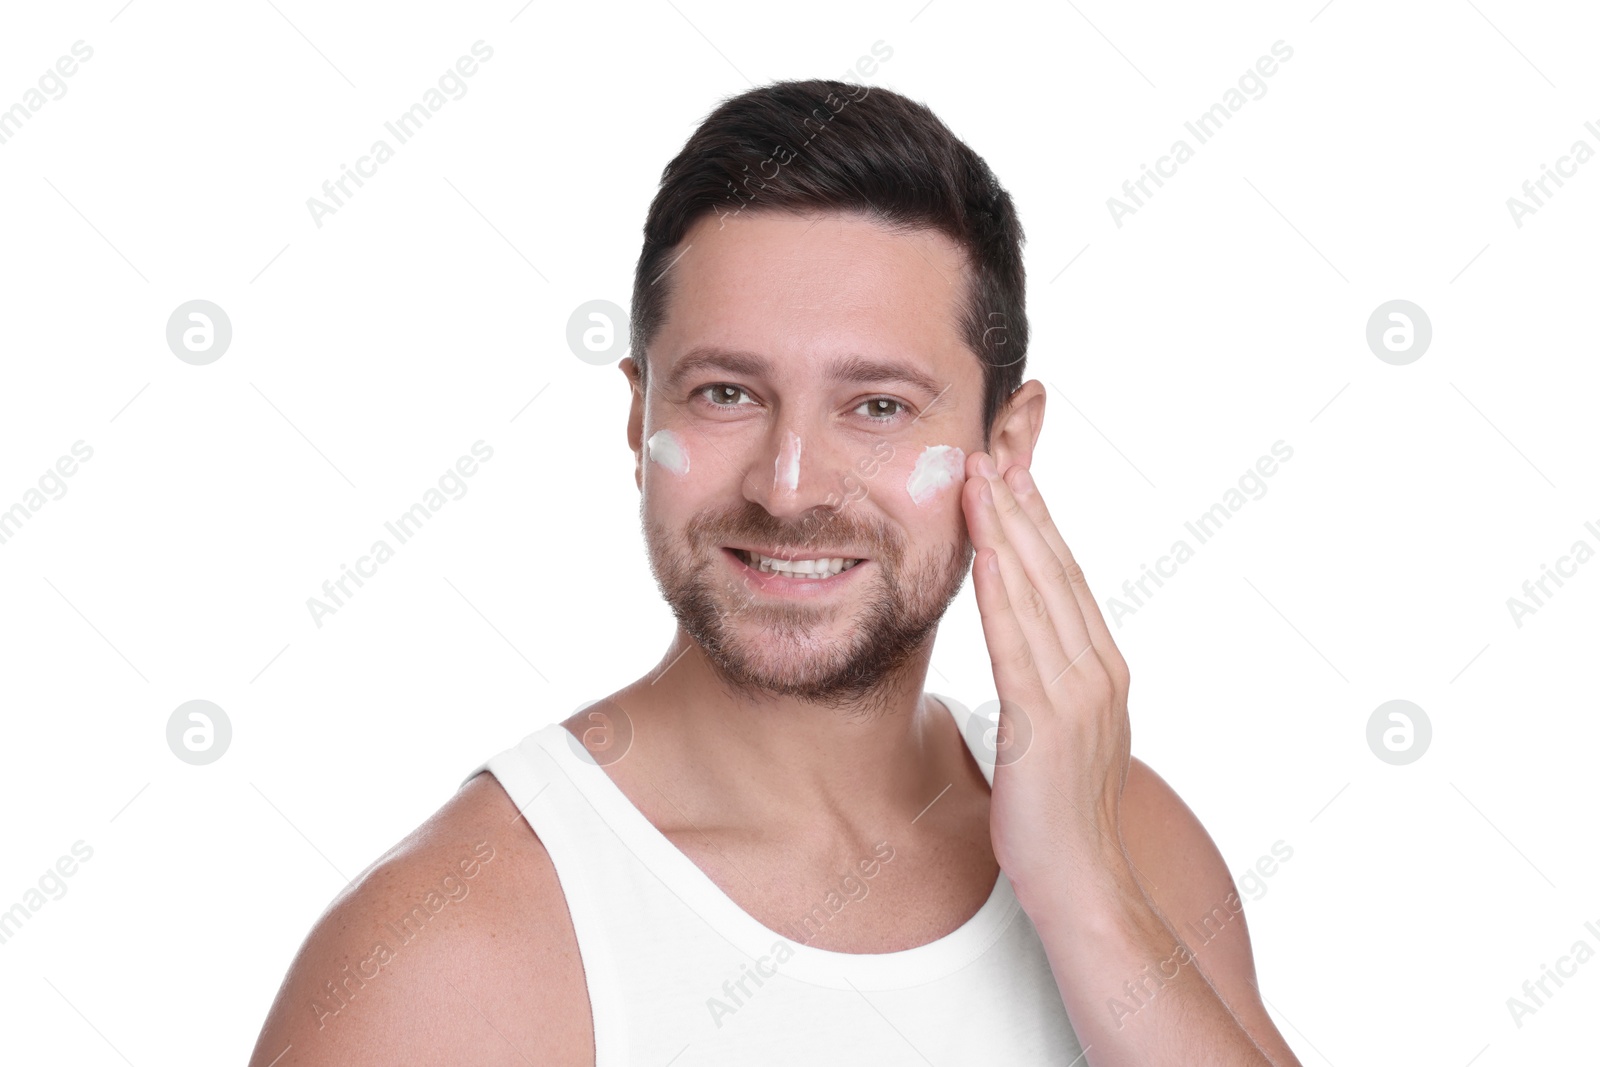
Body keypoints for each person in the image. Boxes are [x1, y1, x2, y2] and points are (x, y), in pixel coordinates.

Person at [248, 79, 1302, 1065]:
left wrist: (1087, 894)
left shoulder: (1122, 837)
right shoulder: (447, 950)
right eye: (725, 394)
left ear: (1006, 444)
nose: (791, 488)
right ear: (637, 411)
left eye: (878, 406)